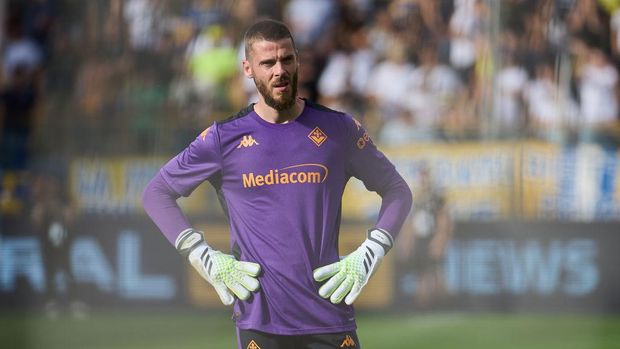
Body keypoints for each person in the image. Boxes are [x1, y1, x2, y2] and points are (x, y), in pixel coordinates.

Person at [143, 19, 412, 349]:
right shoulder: (223, 139)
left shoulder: (338, 130)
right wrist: (202, 256)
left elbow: (398, 190)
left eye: (286, 59)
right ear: (248, 69)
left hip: (329, 317)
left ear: (298, 60)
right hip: (261, 321)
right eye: (267, 63)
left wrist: (373, 249)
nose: (279, 71)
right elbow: (156, 193)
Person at [396, 164, 452, 309]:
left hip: (431, 238)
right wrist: (408, 242)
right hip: (420, 239)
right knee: (422, 275)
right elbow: (411, 222)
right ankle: (423, 307)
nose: (423, 179)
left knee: (436, 274)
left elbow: (443, 218)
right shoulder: (416, 197)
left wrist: (440, 239)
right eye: (421, 176)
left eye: (425, 176)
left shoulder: (436, 196)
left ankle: (445, 305)